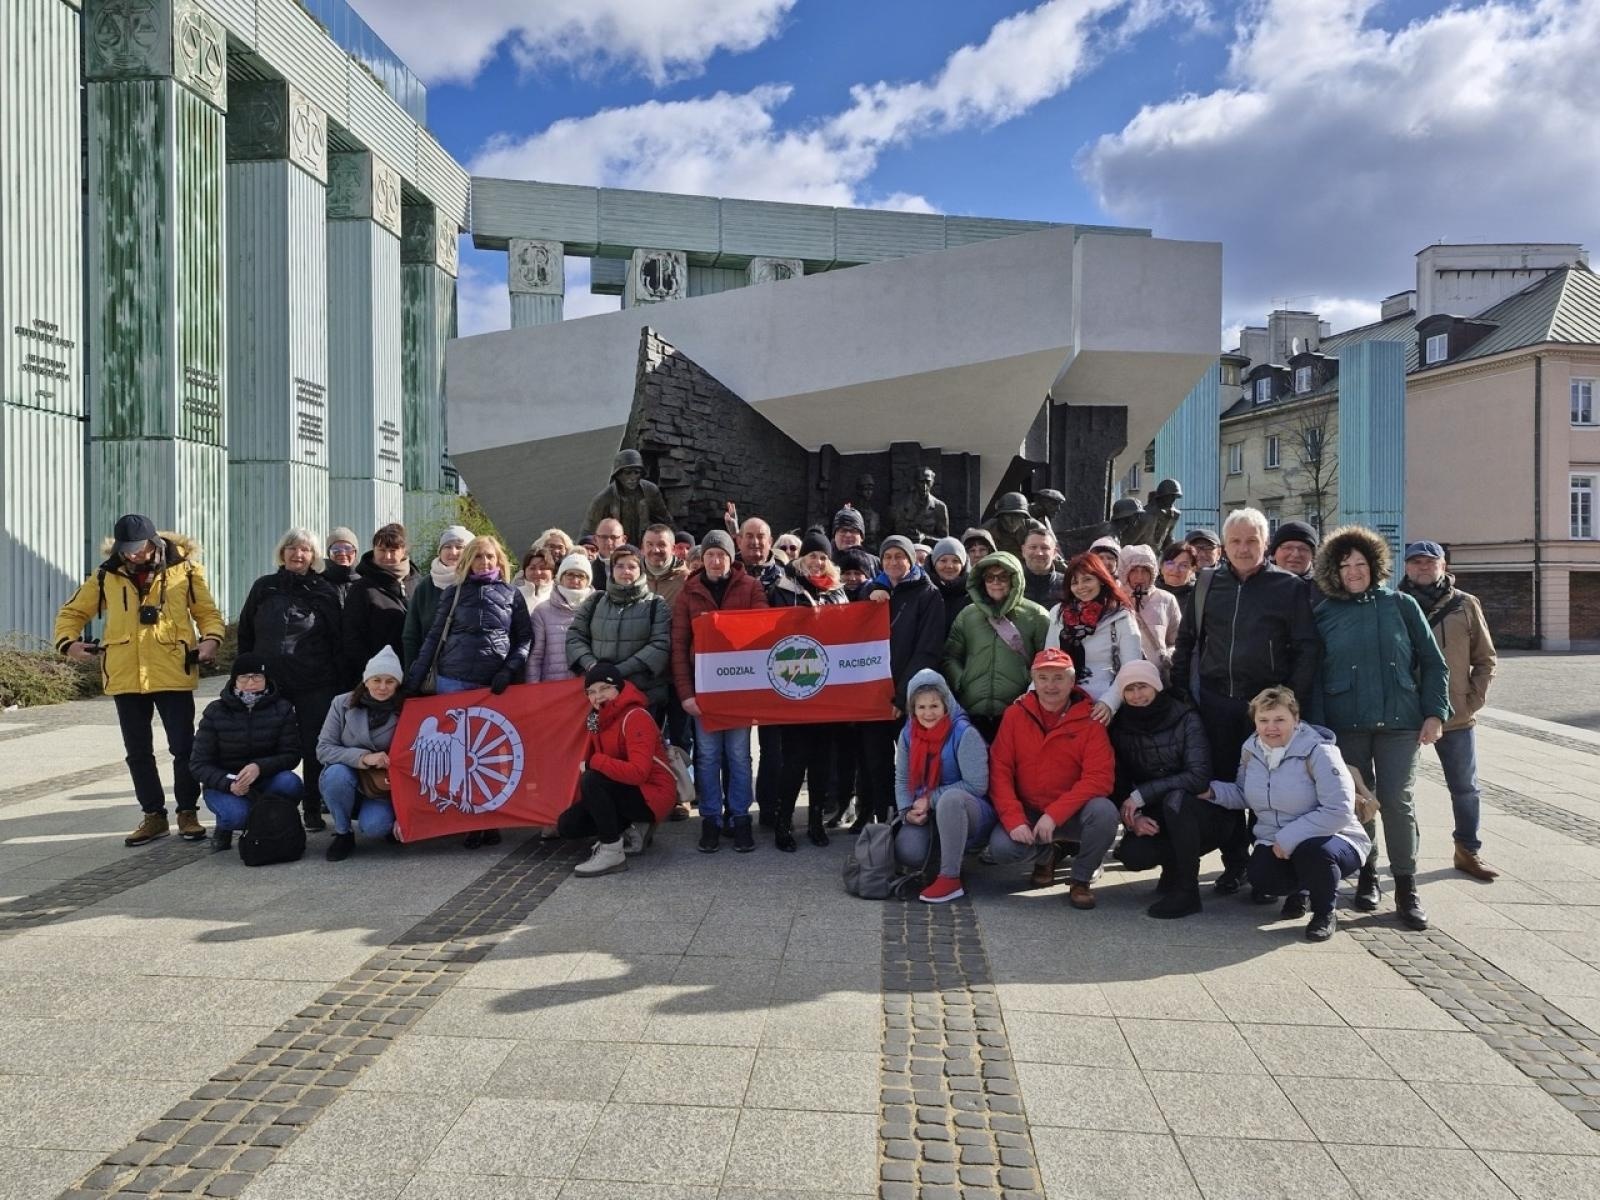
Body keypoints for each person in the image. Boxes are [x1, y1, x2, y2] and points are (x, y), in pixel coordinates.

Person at [1170, 507, 1320, 894]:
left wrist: (1290, 702)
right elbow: (1187, 642)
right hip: (1217, 703)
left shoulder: (1289, 587)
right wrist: (1182, 694)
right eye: (1235, 541)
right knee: (1225, 788)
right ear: (1223, 546)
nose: (1243, 547)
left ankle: (1267, 866)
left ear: (1265, 544)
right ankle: (1234, 863)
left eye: (1252, 540)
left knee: (1270, 790)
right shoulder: (1206, 585)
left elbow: (1306, 648)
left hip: (1266, 710)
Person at [55, 513, 224, 846]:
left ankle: (187, 812)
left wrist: (211, 639)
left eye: (138, 547)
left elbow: (207, 613)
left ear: (153, 541)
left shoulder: (185, 571)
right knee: (137, 751)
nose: (132, 554)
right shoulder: (106, 575)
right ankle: (153, 816)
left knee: (184, 747)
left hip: (172, 669)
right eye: (126, 548)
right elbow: (72, 612)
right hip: (125, 673)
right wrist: (69, 643)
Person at [1311, 525, 1449, 931]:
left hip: (1400, 723)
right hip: (1346, 723)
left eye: (1360, 563)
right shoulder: (1325, 614)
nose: (1354, 571)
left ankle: (1406, 886)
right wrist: (1320, 730)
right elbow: (1315, 674)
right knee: (1360, 801)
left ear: (1374, 566)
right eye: (1345, 565)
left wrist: (1435, 713)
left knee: (1398, 801)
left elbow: (1434, 662)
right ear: (1334, 572)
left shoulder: (1401, 605)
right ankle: (1367, 874)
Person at [1203, 687, 1372, 942]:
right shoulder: (1251, 750)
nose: (1271, 727)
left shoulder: (1320, 751)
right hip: (1276, 838)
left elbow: (1338, 810)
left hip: (1335, 837)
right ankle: (1302, 888)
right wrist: (1211, 792)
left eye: (1280, 720)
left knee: (1313, 852)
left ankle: (1325, 912)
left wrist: (1290, 837)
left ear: (1295, 719)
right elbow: (1245, 794)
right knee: (1262, 877)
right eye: (1263, 720)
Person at [1398, 540, 1500, 881]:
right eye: (1415, 562)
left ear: (1443, 565)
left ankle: (1467, 850)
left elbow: (1485, 658)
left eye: (1430, 561)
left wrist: (1473, 700)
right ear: (1406, 567)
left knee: (1465, 788)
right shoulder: (1393, 604)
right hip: (1406, 713)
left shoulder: (1465, 605)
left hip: (1455, 715)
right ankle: (1404, 856)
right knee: (1399, 792)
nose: (1423, 567)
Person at [989, 650, 1119, 908]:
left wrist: (1054, 815)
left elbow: (1100, 778)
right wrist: (1014, 819)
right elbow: (1000, 769)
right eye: (1043, 678)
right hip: (1030, 810)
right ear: (1034, 681)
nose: (1050, 686)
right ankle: (1047, 854)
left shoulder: (1090, 719)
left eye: (1059, 678)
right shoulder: (1015, 715)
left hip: (1072, 813)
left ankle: (1081, 878)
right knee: (1002, 848)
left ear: (1072, 683)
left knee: (1105, 813)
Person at [235, 527, 344, 832]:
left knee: (313, 748)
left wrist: (337, 682)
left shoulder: (324, 591)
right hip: (269, 684)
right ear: (282, 553)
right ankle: (266, 810)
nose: (299, 554)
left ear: (314, 556)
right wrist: (244, 675)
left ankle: (311, 807)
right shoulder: (264, 588)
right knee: (265, 744)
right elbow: (246, 633)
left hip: (314, 682)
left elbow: (337, 640)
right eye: (292, 548)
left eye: (306, 550)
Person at [893, 670, 1029, 902]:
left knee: (951, 799)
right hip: (925, 810)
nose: (928, 713)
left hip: (971, 809)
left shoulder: (965, 733)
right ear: (912, 709)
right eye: (921, 707)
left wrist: (930, 799)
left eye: (934, 706)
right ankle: (942, 854)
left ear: (946, 704)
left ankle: (950, 878)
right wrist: (907, 812)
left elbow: (977, 785)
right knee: (909, 851)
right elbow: (903, 779)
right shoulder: (908, 733)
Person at [672, 530, 769, 853]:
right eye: (711, 555)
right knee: (709, 755)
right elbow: (678, 645)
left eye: (722, 555)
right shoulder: (689, 592)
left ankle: (740, 817)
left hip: (739, 689)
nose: (716, 561)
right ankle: (711, 818)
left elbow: (764, 630)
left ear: (731, 558)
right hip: (704, 690)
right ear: (703, 559)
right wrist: (686, 693)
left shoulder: (751, 587)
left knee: (740, 756)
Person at [1105, 661, 1225, 919]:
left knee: (1176, 801)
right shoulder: (1120, 727)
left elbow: (1198, 777)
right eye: (1130, 689)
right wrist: (1133, 819)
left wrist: (1142, 795)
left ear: (1157, 686)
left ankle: (1188, 890)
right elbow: (1119, 785)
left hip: (1200, 810)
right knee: (1132, 854)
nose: (1137, 695)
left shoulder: (1186, 716)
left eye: (1143, 686)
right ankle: (1173, 866)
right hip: (1157, 813)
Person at [852, 535, 946, 830]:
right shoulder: (869, 591)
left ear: (911, 560)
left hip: (907, 698)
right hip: (872, 697)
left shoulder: (928, 594)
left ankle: (914, 818)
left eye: (899, 556)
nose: (894, 562)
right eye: (888, 556)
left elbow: (927, 649)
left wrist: (903, 695)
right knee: (875, 762)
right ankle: (882, 820)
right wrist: (871, 596)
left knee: (913, 764)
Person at [768, 529, 851, 850]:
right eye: (813, 555)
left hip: (827, 690)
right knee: (794, 759)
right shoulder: (784, 589)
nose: (817, 561)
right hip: (795, 685)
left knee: (821, 760)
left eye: (823, 556)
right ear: (801, 558)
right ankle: (783, 821)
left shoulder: (838, 593)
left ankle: (815, 821)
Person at [560, 663, 677, 876]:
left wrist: (596, 762)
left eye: (605, 688)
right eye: (592, 692)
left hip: (654, 793)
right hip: (622, 787)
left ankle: (612, 850)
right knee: (568, 825)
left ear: (619, 688)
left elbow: (638, 772)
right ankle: (629, 829)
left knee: (592, 779)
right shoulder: (596, 719)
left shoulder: (636, 716)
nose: (598, 696)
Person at [190, 655, 304, 852]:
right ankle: (224, 827)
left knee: (291, 783)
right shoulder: (215, 711)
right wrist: (229, 783)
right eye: (244, 677)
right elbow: (198, 764)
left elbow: (291, 754)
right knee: (237, 816)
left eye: (257, 677)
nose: (251, 683)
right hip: (225, 783)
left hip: (265, 778)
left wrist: (259, 767)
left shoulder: (282, 708)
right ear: (234, 680)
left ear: (266, 679)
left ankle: (279, 822)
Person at [941, 551, 1049, 743]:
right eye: (990, 577)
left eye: (1003, 576)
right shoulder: (967, 615)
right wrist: (961, 680)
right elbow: (950, 656)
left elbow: (1046, 662)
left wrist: (1029, 689)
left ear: (1015, 579)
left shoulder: (1037, 616)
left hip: (1018, 710)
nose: (995, 582)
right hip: (973, 710)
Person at [567, 542, 673, 718]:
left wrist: (618, 671)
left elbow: (660, 645)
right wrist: (592, 665)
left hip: (642, 694)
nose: (626, 571)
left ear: (641, 570)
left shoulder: (656, 604)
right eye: (620, 566)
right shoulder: (595, 601)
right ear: (612, 569)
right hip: (599, 695)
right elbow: (575, 637)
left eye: (632, 566)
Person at [317, 646, 403, 861]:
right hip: (347, 777)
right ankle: (343, 832)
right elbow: (324, 749)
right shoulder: (341, 704)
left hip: (383, 785)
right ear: (366, 681)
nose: (382, 687)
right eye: (377, 680)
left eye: (390, 681)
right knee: (336, 774)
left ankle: (388, 817)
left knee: (375, 827)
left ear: (398, 684)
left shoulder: (405, 710)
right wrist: (363, 758)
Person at [1044, 552, 1150, 723]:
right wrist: (1032, 693)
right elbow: (1048, 661)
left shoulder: (1121, 615)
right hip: (1063, 701)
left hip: (1104, 705)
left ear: (1101, 579)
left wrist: (1109, 703)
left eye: (1087, 579)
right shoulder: (1059, 613)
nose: (1081, 587)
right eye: (1074, 582)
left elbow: (1131, 667)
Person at [341, 523, 421, 685]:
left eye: (393, 551)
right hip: (379, 678)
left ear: (404, 551)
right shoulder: (362, 588)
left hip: (415, 674)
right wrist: (374, 672)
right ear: (373, 550)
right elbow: (352, 638)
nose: (388, 556)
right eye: (382, 550)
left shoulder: (419, 583)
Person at [403, 525, 473, 669]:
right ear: (439, 551)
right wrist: (412, 671)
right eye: (447, 546)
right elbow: (411, 634)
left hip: (472, 670)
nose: (453, 552)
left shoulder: (479, 582)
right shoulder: (425, 586)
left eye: (460, 547)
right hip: (432, 671)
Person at [584, 448, 674, 544]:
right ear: (618, 474)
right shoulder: (603, 499)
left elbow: (666, 522)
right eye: (627, 473)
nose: (632, 478)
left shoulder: (650, 491)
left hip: (645, 549)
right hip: (616, 551)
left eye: (636, 473)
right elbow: (587, 533)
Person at [527, 553, 594, 682]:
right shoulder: (542, 611)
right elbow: (535, 657)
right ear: (561, 577)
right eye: (570, 575)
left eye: (581, 576)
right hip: (553, 688)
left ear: (588, 580)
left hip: (590, 688)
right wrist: (532, 690)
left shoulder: (598, 608)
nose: (575, 580)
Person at [1119, 544, 1180, 677]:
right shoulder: (1114, 600)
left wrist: (1167, 656)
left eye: (1145, 571)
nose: (1140, 576)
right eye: (1134, 570)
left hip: (1158, 676)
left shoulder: (1167, 599)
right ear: (1125, 572)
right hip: (1122, 676)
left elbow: (1178, 641)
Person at [928, 536, 971, 634]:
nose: (949, 566)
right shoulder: (924, 592)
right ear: (934, 563)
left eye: (955, 561)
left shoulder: (972, 594)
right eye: (943, 560)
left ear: (963, 565)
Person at [641, 523, 689, 606]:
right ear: (642, 548)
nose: (655, 550)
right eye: (650, 544)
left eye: (661, 545)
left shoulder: (686, 579)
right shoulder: (633, 576)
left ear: (673, 549)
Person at [1020, 526, 1065, 607]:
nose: (1039, 553)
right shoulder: (1010, 584)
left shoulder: (1068, 585)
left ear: (1055, 553)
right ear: (1023, 551)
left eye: (1045, 548)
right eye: (1033, 547)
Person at [832, 506, 880, 577]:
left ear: (862, 537)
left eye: (853, 531)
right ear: (834, 536)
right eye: (843, 531)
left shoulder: (875, 563)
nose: (848, 535)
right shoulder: (826, 563)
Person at [323, 526, 360, 603]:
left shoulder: (365, 582)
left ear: (355, 553)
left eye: (348, 548)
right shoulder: (318, 581)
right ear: (329, 553)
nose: (342, 553)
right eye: (336, 549)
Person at [589, 518, 627, 589]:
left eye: (614, 537)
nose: (609, 542)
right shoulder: (588, 569)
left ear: (624, 540)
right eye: (604, 537)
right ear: (595, 540)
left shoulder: (636, 568)